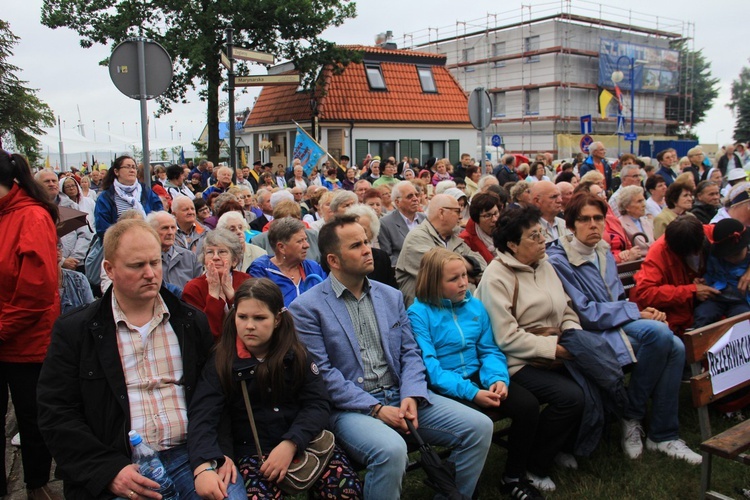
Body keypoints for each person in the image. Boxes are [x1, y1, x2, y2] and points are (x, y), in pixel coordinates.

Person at [38, 219, 246, 500]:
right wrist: (107, 470)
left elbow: (214, 395)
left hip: (191, 454)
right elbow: (57, 412)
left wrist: (215, 452)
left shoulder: (188, 321)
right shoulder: (77, 330)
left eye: (155, 262)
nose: (150, 273)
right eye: (137, 266)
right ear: (109, 269)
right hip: (119, 461)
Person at [289, 216, 493, 500]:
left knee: (479, 427)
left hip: (401, 395)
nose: (367, 250)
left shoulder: (390, 296)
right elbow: (323, 373)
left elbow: (409, 353)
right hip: (351, 409)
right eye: (357, 245)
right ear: (333, 260)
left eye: (367, 242)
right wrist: (375, 408)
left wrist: (411, 394)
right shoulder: (306, 308)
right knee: (392, 450)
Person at [547, 193, 702, 465]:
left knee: (675, 346)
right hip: (588, 335)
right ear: (570, 225)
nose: (594, 225)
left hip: (616, 324)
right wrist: (635, 312)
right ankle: (635, 417)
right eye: (585, 219)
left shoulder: (602, 251)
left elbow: (618, 298)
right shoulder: (559, 260)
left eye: (598, 218)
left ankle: (660, 434)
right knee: (662, 337)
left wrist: (643, 313)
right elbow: (585, 313)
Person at [187, 278, 363, 499]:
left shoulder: (297, 354)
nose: (249, 325)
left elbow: (318, 403)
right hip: (252, 453)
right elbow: (203, 415)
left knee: (344, 490)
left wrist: (291, 443)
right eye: (242, 317)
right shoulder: (221, 362)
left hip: (304, 442)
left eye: (260, 318)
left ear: (278, 318)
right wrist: (208, 460)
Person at [408, 248, 546, 500]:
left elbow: (489, 349)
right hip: (447, 385)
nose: (463, 283)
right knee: (474, 420)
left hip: (479, 376)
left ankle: (513, 476)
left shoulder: (474, 306)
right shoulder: (419, 314)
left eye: (464, 275)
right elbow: (431, 368)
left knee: (527, 406)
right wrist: (473, 393)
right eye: (454, 279)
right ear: (433, 283)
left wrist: (497, 379)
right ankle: (460, 483)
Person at [474, 206, 584, 492]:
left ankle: (561, 445)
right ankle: (534, 465)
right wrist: (556, 350)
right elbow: (505, 337)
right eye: (534, 236)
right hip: (513, 362)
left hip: (553, 347)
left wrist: (574, 336)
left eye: (542, 233)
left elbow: (566, 308)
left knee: (591, 381)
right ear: (512, 245)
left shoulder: (544, 264)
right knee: (570, 397)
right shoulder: (496, 276)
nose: (542, 240)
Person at [0, 151, 60, 500]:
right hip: (7, 333)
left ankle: (36, 483)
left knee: (33, 419)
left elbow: (35, 293)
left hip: (26, 342)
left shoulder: (32, 217)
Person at [632, 216, 718, 337]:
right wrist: (691, 290)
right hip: (676, 317)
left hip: (705, 307)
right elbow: (645, 292)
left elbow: (740, 233)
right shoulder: (659, 252)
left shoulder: (705, 232)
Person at [396, 194, 486, 307]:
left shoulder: (454, 238)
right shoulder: (416, 238)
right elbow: (441, 273)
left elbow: (483, 267)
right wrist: (470, 274)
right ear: (442, 213)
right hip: (429, 315)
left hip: (457, 310)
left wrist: (458, 266)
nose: (460, 217)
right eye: (457, 211)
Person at [183, 229, 251, 340]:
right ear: (204, 259)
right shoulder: (193, 288)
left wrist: (232, 296)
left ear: (234, 260)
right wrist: (213, 295)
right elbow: (204, 333)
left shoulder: (246, 281)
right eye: (210, 252)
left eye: (222, 252)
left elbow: (251, 321)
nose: (215, 257)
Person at [248, 217, 326, 307]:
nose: (307, 245)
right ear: (281, 247)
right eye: (300, 241)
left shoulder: (313, 268)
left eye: (306, 239)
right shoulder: (262, 271)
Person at [692, 218, 750, 328]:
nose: (732, 259)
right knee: (703, 314)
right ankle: (698, 340)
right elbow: (711, 273)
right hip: (717, 296)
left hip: (741, 299)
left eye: (736, 254)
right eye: (728, 256)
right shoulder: (715, 258)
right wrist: (704, 281)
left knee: (741, 318)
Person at [94, 155, 163, 237]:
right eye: (128, 167)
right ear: (116, 171)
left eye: (134, 167)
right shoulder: (106, 197)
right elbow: (102, 228)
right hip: (119, 244)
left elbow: (159, 216)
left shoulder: (147, 192)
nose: (132, 170)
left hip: (148, 241)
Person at [147, 211, 202, 293]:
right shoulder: (146, 259)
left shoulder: (190, 257)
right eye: (165, 228)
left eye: (173, 228)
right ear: (151, 231)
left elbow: (200, 290)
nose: (170, 232)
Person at [345, 204, 397, 288]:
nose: (358, 235)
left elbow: (391, 290)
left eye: (363, 230)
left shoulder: (381, 258)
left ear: (372, 233)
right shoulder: (342, 256)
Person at [377, 181, 426, 266]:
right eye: (409, 196)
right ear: (397, 202)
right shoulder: (385, 223)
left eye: (416, 195)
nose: (415, 199)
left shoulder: (424, 219)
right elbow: (387, 257)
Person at [459, 191, 502, 263]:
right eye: (488, 216)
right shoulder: (465, 240)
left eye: (496, 213)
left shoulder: (508, 232)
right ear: (476, 219)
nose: (495, 219)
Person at [617, 185, 655, 253]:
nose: (644, 204)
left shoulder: (646, 221)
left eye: (643, 200)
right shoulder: (620, 224)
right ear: (627, 207)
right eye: (639, 201)